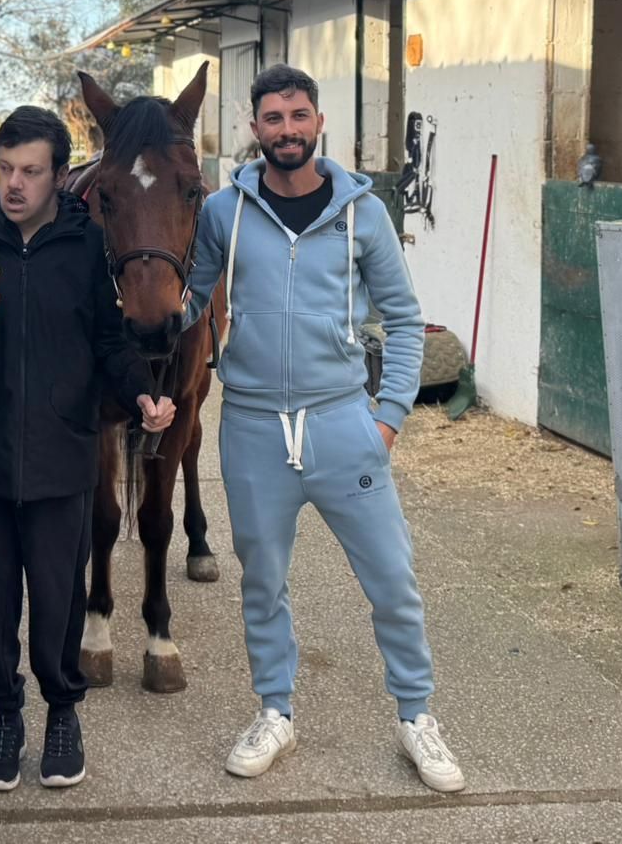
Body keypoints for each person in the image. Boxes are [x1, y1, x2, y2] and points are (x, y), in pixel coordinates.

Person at [168, 63, 465, 793]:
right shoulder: (223, 212)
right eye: (273, 119)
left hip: (342, 423)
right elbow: (189, 304)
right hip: (252, 427)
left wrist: (387, 419)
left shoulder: (363, 211)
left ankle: (416, 716)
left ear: (319, 122)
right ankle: (275, 711)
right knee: (261, 582)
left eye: (299, 116)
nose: (287, 130)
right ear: (254, 127)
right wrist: (127, 309)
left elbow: (402, 318)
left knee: (393, 580)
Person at [0, 106, 169, 792]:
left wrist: (143, 392)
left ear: (61, 173)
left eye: (30, 171)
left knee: (58, 597)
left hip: (64, 457)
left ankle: (62, 711)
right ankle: (4, 713)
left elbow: (110, 341)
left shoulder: (87, 246)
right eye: (5, 169)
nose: (14, 184)